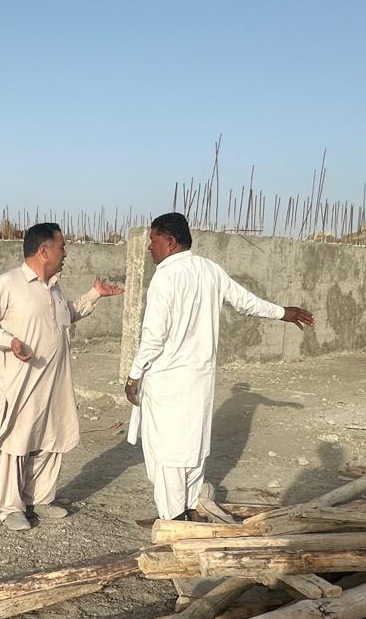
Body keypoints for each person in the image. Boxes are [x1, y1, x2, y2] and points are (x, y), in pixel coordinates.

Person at [125, 212, 314, 521]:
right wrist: (282, 312)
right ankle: (189, 508)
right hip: (199, 379)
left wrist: (134, 375)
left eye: (153, 240)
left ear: (170, 242)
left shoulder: (165, 277)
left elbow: (153, 336)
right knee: (193, 447)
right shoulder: (209, 270)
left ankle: (174, 519)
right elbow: (246, 302)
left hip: (167, 381)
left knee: (168, 453)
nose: (149, 247)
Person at [0, 223, 124, 530]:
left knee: (50, 438)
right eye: (61, 247)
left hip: (55, 380)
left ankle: (40, 498)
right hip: (22, 380)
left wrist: (94, 295)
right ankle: (10, 507)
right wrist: (9, 342)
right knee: (18, 440)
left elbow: (65, 315)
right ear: (44, 250)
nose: (65, 253)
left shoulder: (54, 287)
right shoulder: (9, 283)